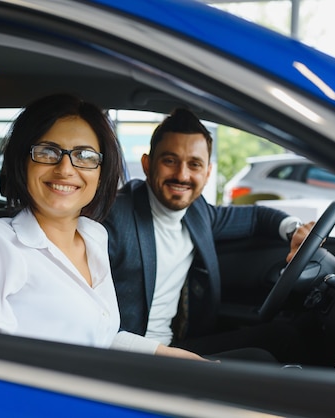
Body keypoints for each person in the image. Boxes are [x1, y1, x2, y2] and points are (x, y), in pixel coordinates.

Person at [0, 94, 202, 360]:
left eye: (84, 155)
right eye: (48, 151)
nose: (66, 168)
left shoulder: (94, 235)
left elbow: (101, 338)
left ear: (101, 173)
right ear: (23, 161)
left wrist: (173, 357)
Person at [103, 108, 314, 359]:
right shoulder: (114, 218)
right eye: (169, 161)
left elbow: (258, 218)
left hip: (175, 346)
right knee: (262, 359)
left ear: (207, 173)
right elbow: (91, 324)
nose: (182, 175)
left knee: (283, 337)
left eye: (194, 164)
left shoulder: (198, 211)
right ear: (148, 165)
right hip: (128, 358)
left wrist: (294, 231)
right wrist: (176, 358)